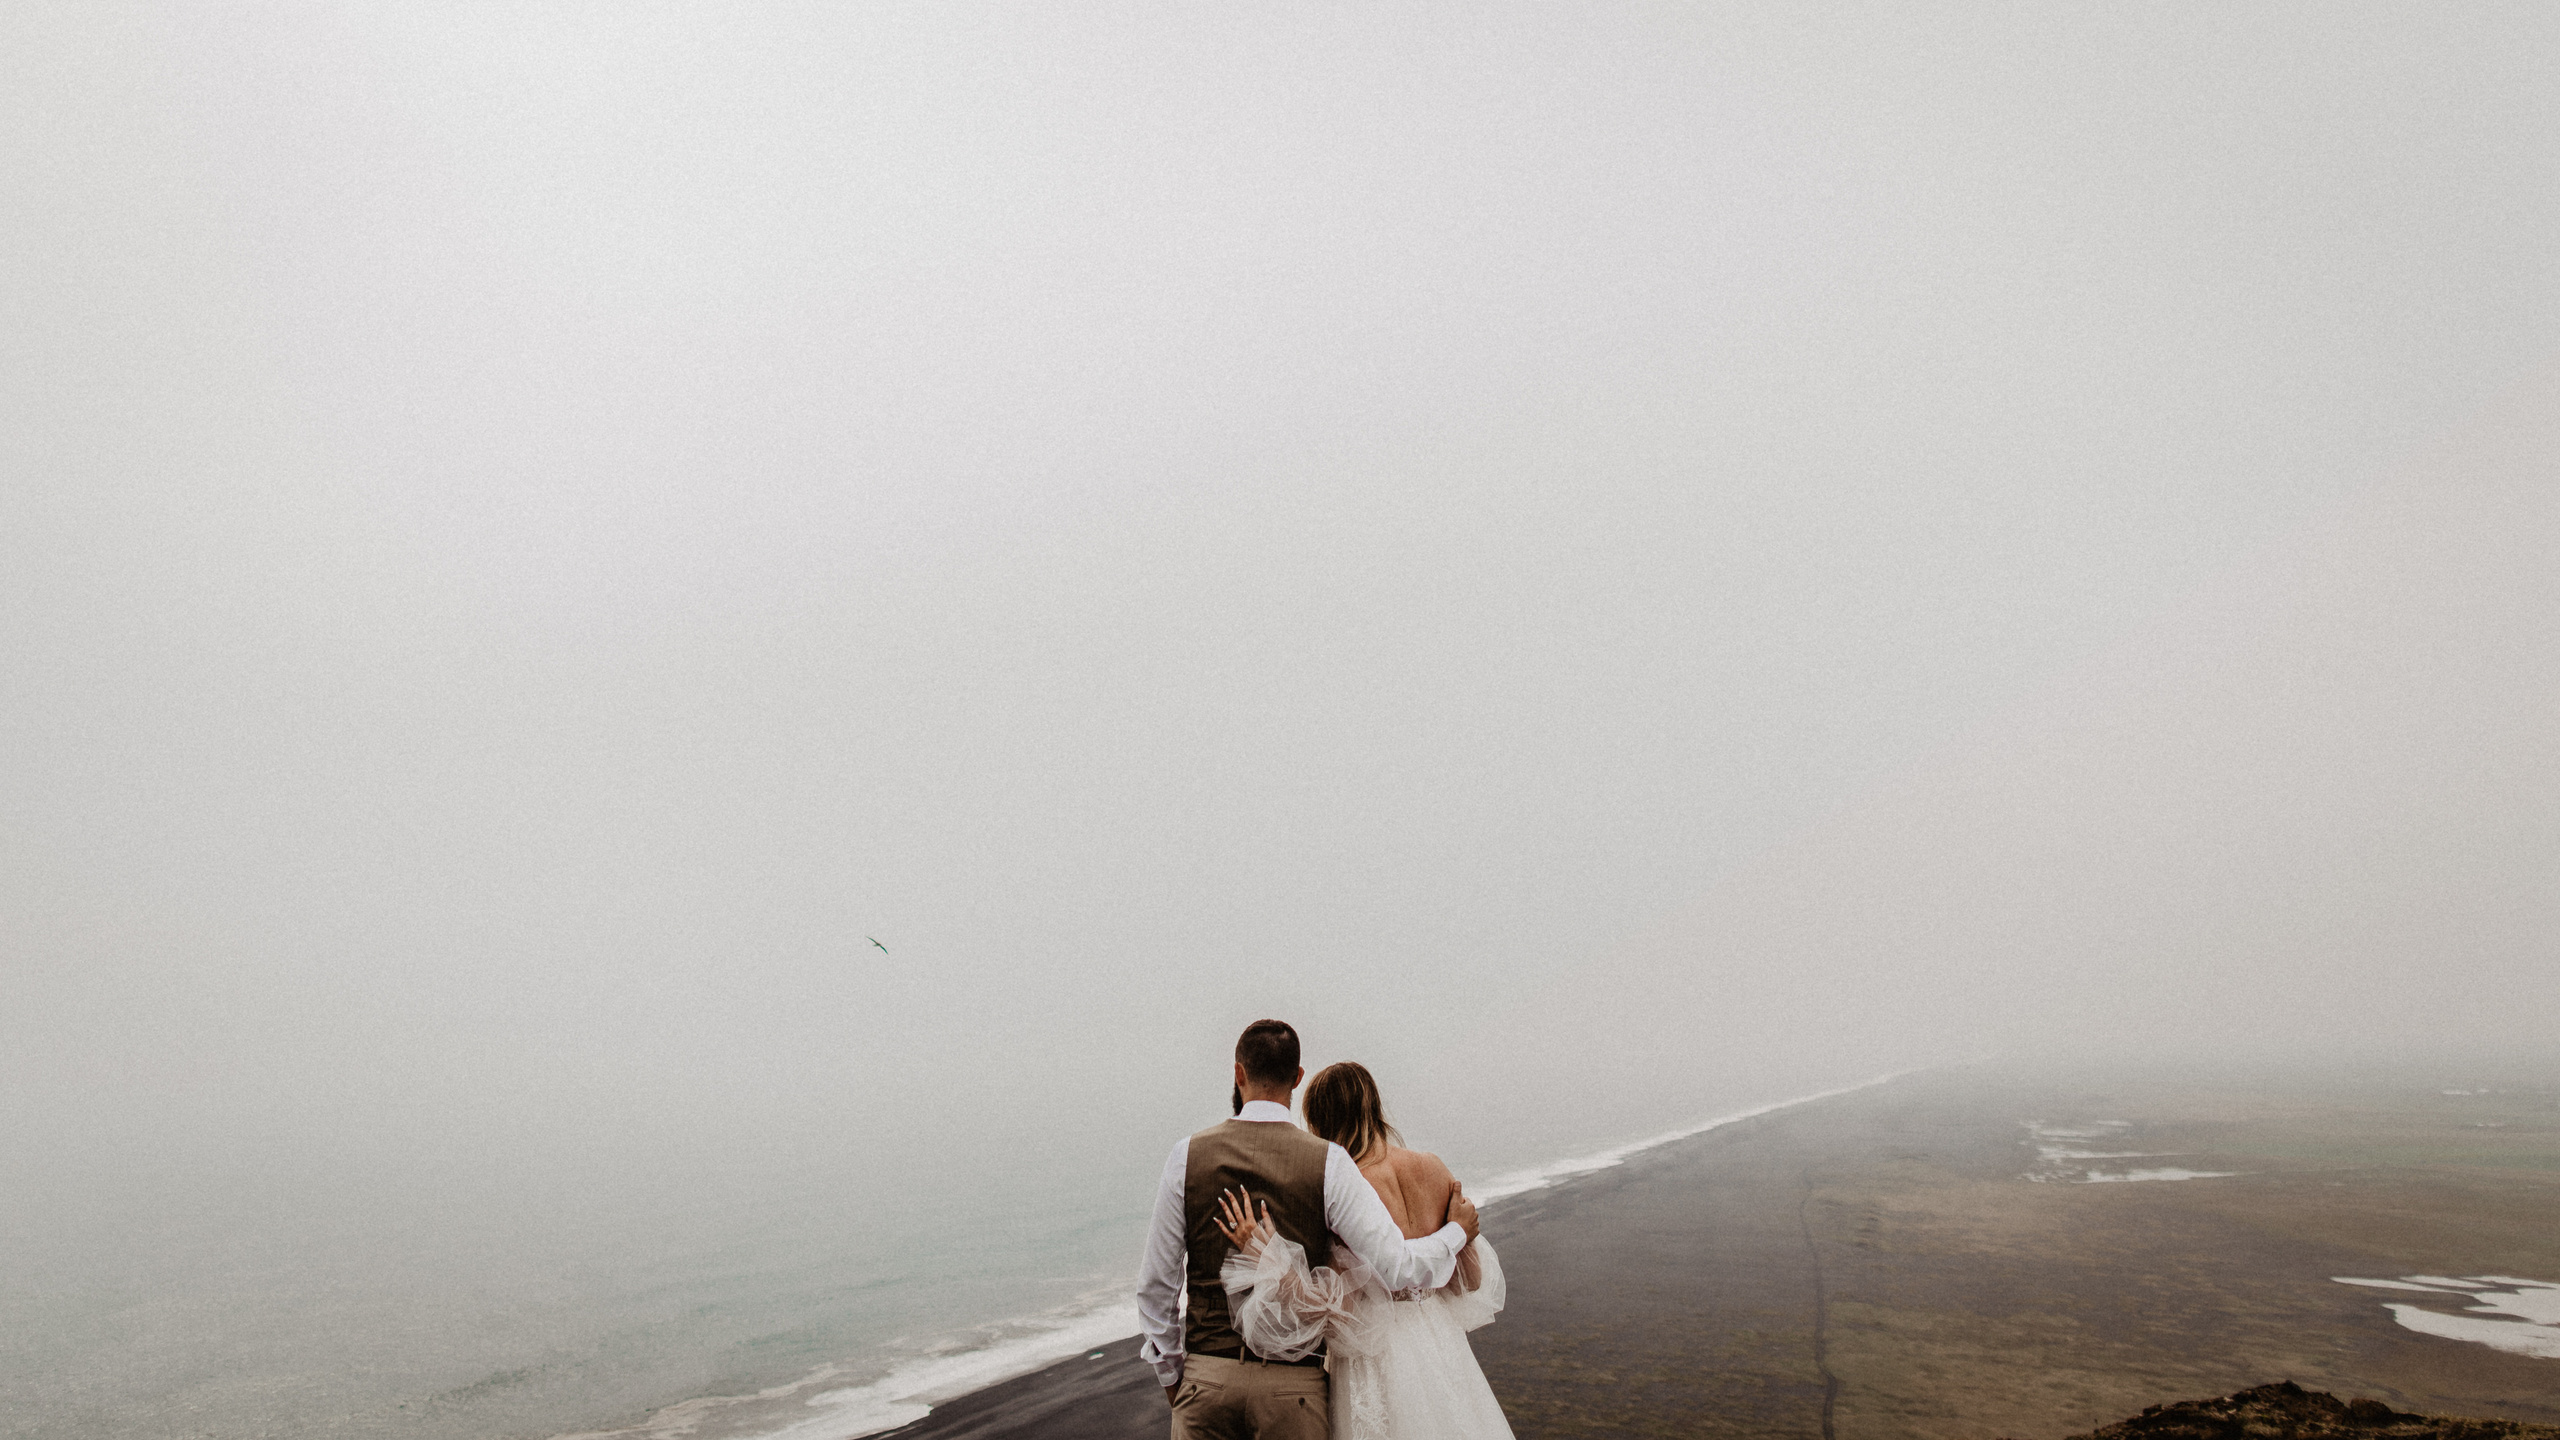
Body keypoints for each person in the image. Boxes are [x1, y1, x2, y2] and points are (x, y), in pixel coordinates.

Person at [1137, 1020, 1482, 1440]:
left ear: (1238, 1073)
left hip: (1206, 1380)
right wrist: (1456, 1234)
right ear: (1297, 1078)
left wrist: (1176, 1377)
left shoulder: (1185, 1156)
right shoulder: (1330, 1163)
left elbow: (1157, 1286)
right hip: (1293, 1392)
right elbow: (1396, 1267)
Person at [1214, 1062, 1514, 1440]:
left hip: (1379, 1356)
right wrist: (1456, 1235)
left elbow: (1340, 1313)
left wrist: (1270, 1257)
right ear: (1373, 1104)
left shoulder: (1347, 1190)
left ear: (1320, 1120)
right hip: (1440, 1342)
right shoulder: (1432, 1168)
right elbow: (1468, 1281)